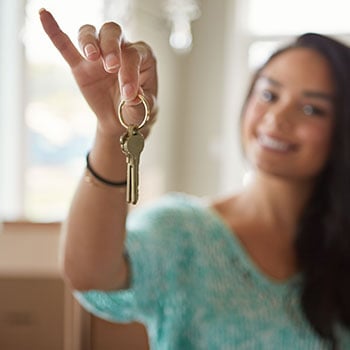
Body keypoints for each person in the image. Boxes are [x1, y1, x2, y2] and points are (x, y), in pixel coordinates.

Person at [39, 8, 350, 350]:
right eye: (269, 95)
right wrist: (113, 132)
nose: (277, 118)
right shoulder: (184, 233)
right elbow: (90, 273)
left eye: (311, 109)